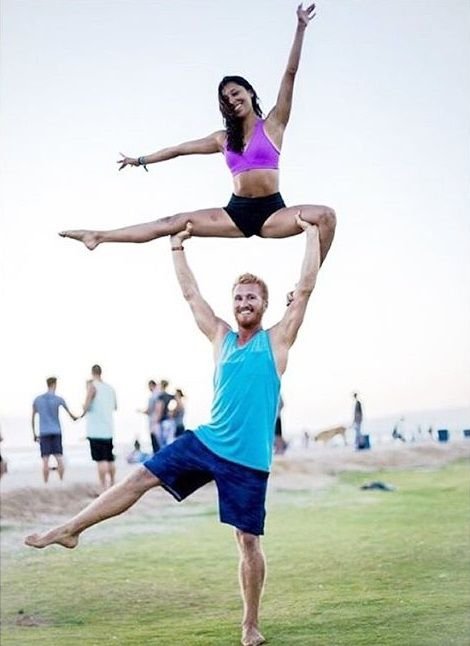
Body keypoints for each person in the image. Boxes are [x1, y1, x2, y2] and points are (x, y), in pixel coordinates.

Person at [24, 212, 333, 646]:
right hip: (206, 442)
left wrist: (309, 236)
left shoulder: (277, 341)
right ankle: (72, 529)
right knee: (139, 477)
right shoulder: (221, 337)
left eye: (252, 299)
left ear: (264, 306)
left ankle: (250, 624)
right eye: (239, 298)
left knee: (247, 542)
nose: (244, 303)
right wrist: (176, 246)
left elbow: (304, 290)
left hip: (247, 461)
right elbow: (191, 295)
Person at [58, 3, 336, 268]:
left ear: (250, 92)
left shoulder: (274, 124)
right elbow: (179, 149)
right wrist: (140, 160)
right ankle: (98, 236)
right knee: (172, 221)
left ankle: (303, 286)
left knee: (325, 216)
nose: (232, 99)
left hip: (273, 212)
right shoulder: (222, 139)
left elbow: (290, 73)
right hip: (235, 213)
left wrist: (300, 28)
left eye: (236, 92)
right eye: (226, 98)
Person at [31, 377, 78, 483]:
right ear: (55, 384)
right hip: (56, 431)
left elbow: (33, 417)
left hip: (44, 431)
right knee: (59, 458)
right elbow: (72, 416)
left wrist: (34, 433)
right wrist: (80, 415)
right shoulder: (58, 399)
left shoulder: (38, 399)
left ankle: (46, 483)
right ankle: (61, 481)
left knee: (45, 459)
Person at [82, 365, 118, 490]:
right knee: (109, 458)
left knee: (101, 460)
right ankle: (113, 483)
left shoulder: (92, 387)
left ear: (92, 373)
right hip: (108, 428)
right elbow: (115, 407)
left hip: (95, 430)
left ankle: (103, 487)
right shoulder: (110, 388)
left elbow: (85, 407)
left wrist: (87, 389)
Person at [137, 379, 161, 453]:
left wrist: (140, 411)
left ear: (151, 385)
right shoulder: (159, 394)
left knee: (155, 445)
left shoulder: (153, 397)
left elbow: (149, 410)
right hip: (158, 424)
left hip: (154, 423)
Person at [154, 380, 175, 449]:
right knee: (170, 442)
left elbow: (160, 408)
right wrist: (172, 412)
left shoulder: (160, 396)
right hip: (170, 421)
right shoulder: (170, 396)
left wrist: (157, 420)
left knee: (162, 444)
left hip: (163, 422)